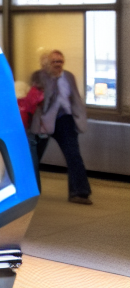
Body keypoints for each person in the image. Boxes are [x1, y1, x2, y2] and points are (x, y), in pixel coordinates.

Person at [29, 49, 92, 204]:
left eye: (60, 62)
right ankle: (30, 190)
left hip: (65, 119)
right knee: (33, 157)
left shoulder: (69, 76)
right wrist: (50, 80)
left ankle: (79, 192)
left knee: (73, 154)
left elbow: (75, 96)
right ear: (47, 63)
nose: (58, 65)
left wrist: (79, 114)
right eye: (54, 62)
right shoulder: (39, 76)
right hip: (44, 120)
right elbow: (38, 98)